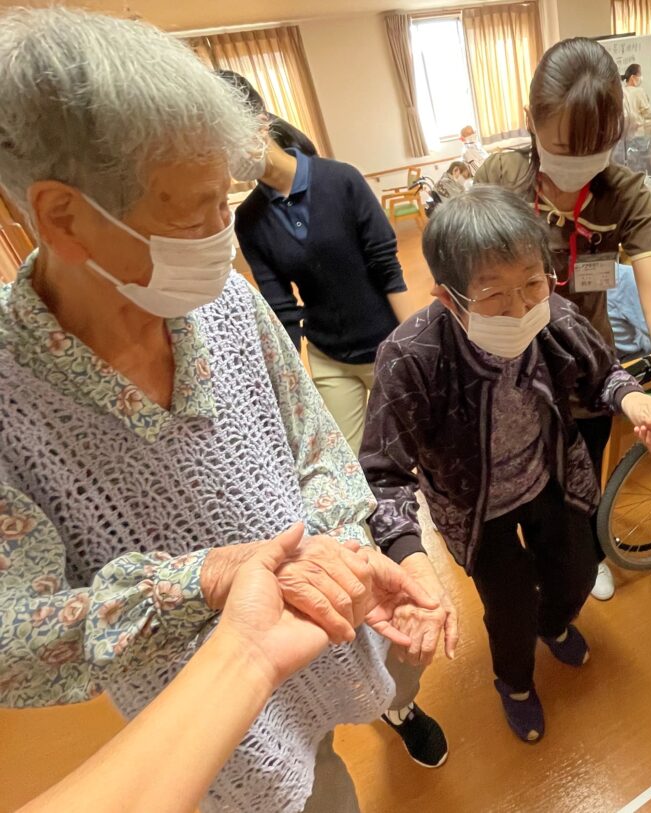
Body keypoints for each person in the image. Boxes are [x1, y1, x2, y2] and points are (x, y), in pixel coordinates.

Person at [0, 9, 447, 812]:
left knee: (371, 691)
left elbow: (316, 447)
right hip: (214, 723)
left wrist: (342, 548)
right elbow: (12, 637)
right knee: (316, 794)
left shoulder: (226, 301)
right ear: (65, 216)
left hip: (335, 626)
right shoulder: (11, 396)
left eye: (225, 200)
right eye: (194, 210)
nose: (223, 232)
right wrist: (199, 580)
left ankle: (395, 708)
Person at [360, 186, 651, 743]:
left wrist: (637, 402)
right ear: (447, 298)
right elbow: (382, 473)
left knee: (578, 571)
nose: (521, 310)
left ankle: (555, 623)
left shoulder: (551, 314)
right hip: (473, 504)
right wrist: (410, 559)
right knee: (507, 608)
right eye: (493, 296)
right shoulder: (411, 356)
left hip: (549, 474)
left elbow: (602, 372)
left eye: (533, 284)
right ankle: (513, 682)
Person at [475, 37, 651, 601]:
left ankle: (588, 551)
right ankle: (538, 563)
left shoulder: (622, 193)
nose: (577, 164)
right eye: (561, 147)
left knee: (583, 474)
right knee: (525, 479)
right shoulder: (501, 177)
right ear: (530, 121)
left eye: (594, 148)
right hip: (513, 370)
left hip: (590, 373)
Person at [21, 527, 372, 812]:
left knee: (319, 745)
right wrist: (203, 580)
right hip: (177, 683)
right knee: (288, 785)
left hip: (287, 638)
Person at [228, 76, 421, 459]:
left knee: (424, 448)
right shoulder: (249, 220)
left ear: (261, 122)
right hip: (330, 357)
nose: (225, 155)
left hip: (387, 344)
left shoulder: (341, 179)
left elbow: (386, 266)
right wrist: (290, 386)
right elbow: (281, 308)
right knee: (353, 465)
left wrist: (415, 348)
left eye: (227, 138)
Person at [622, 62, 651, 139]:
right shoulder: (639, 91)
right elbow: (648, 113)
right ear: (633, 77)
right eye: (640, 75)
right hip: (639, 134)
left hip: (626, 137)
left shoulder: (622, 91)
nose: (641, 77)